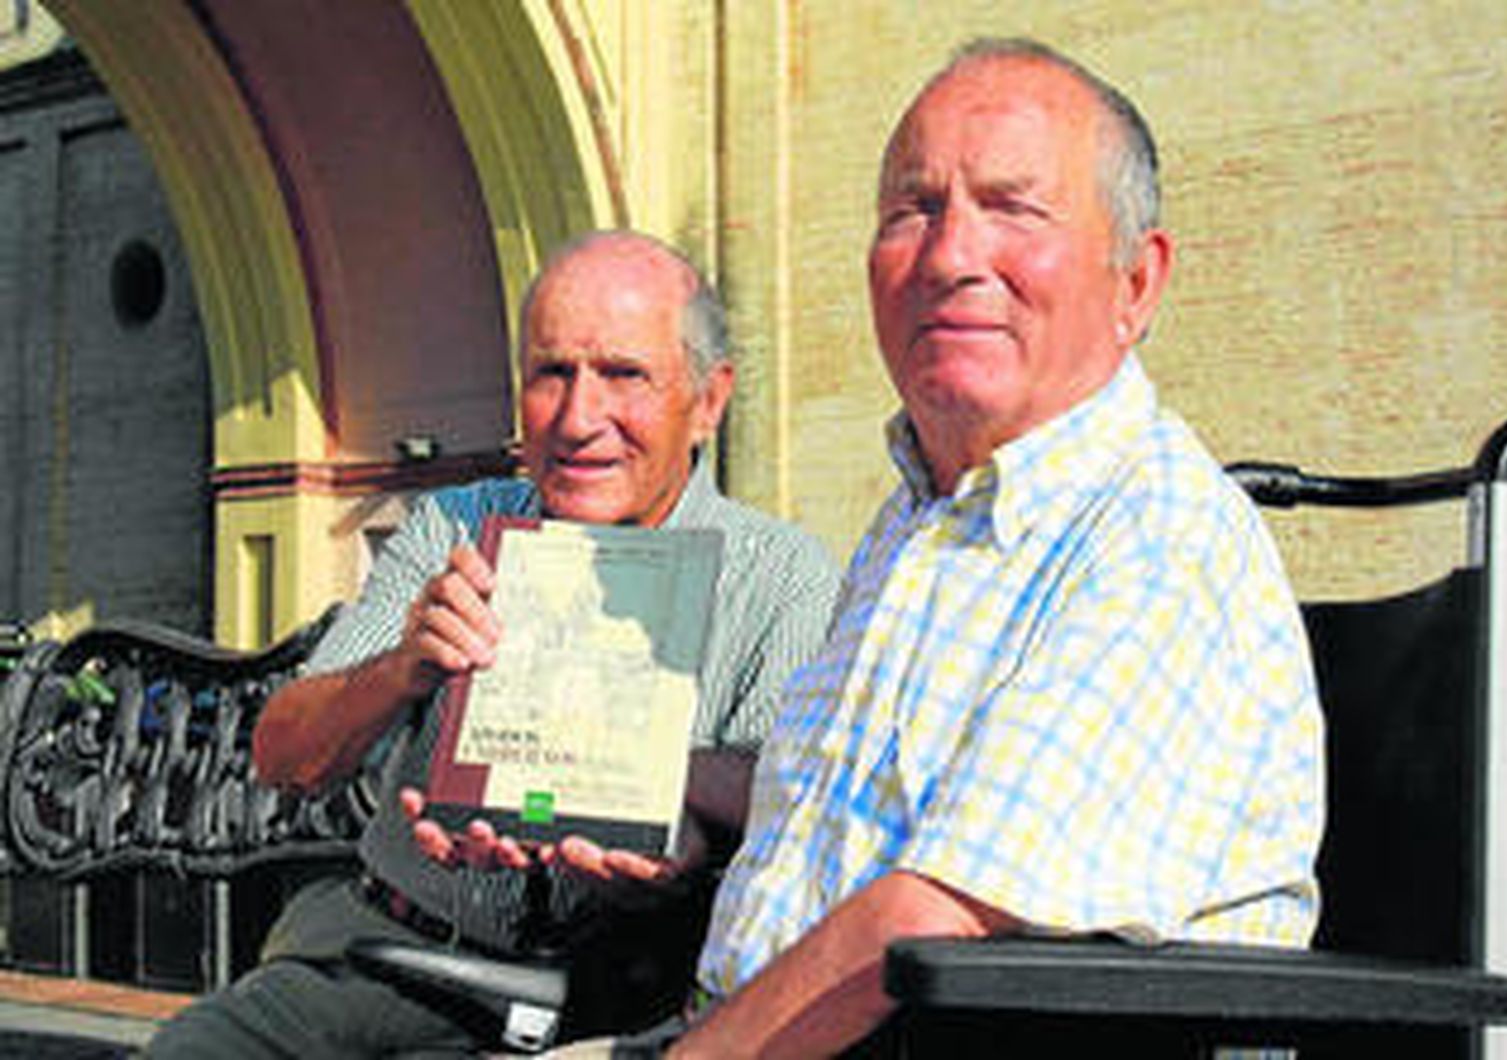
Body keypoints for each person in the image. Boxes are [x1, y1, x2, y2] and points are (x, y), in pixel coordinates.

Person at [547, 38, 1323, 1058]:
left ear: (1135, 281)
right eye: (913, 209)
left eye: (1012, 207)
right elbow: (844, 835)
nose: (951, 254)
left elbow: (930, 922)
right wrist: (665, 818)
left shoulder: (1153, 537)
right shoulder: (920, 522)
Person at [147, 231, 841, 1058]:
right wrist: (402, 667)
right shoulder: (457, 524)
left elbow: (794, 790)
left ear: (708, 399)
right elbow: (282, 753)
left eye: (624, 375)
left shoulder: (781, 574)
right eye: (552, 374)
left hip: (617, 998)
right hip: (386, 960)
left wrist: (631, 774)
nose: (581, 419)